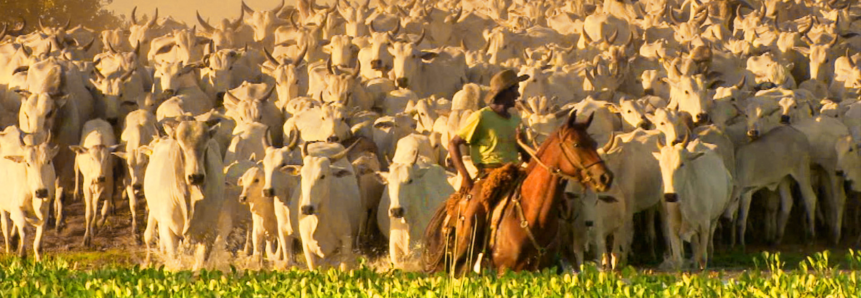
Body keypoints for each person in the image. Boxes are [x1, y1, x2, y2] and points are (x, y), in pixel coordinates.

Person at [449, 69, 529, 191]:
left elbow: (526, 158)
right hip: (488, 177)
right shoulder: (481, 117)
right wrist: (465, 176)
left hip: (514, 175)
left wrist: (522, 144)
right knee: (475, 208)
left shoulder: (516, 120)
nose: (518, 95)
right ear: (505, 92)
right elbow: (453, 143)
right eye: (515, 89)